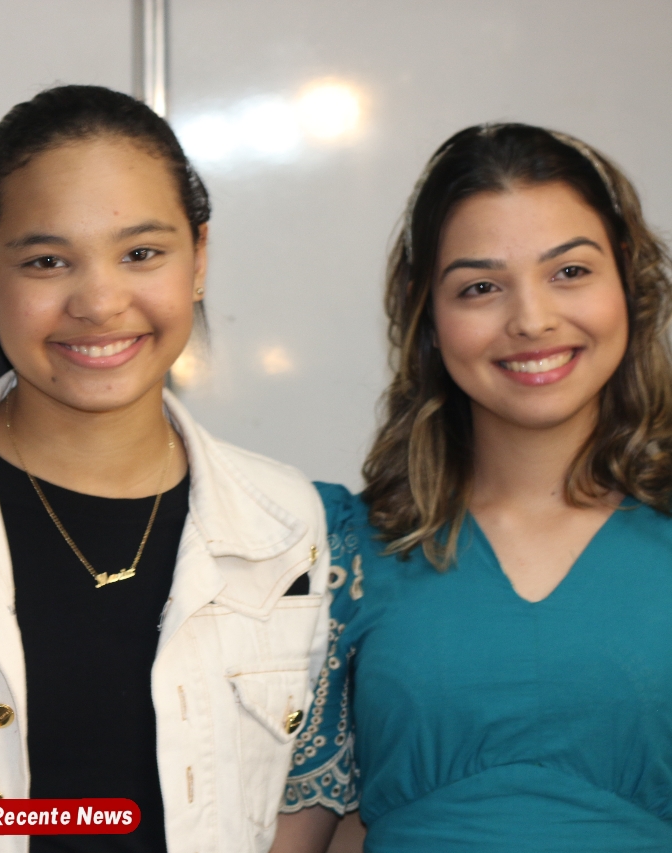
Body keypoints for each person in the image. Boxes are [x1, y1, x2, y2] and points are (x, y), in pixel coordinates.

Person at [0, 85, 329, 853]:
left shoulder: (282, 522)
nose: (100, 301)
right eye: (48, 261)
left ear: (199, 260)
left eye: (141, 254)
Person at [271, 124, 672, 852]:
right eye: (481, 287)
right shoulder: (344, 551)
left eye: (570, 271)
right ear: (427, 314)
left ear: (628, 281)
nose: (532, 319)